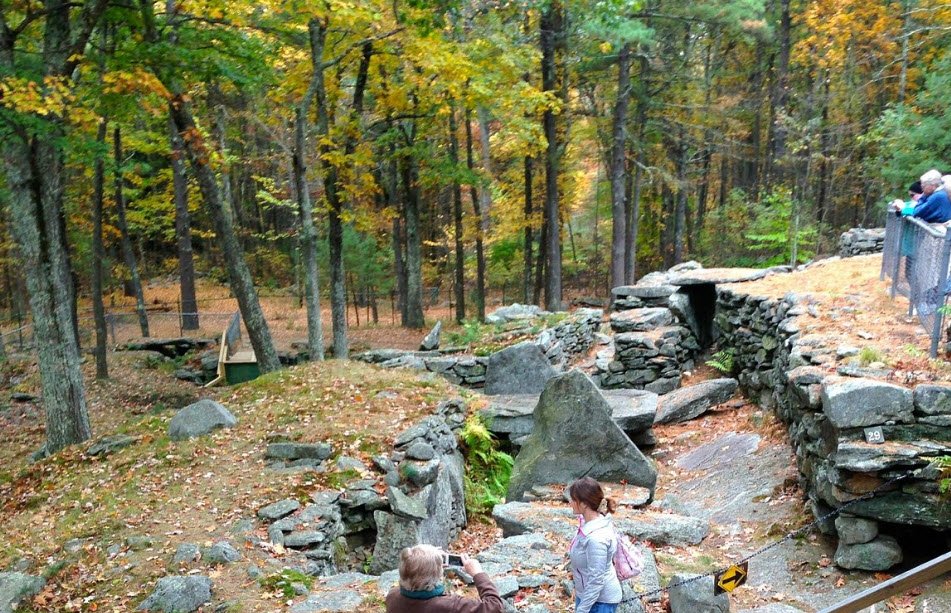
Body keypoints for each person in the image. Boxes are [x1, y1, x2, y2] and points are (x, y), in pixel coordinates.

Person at [385, 544, 503, 613]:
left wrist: (429, 563)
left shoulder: (392, 596)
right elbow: (495, 606)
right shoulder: (449, 605)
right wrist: (478, 574)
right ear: (436, 575)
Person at [567, 477, 623, 613]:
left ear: (584, 504)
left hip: (600, 602)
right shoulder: (588, 523)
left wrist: (582, 609)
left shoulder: (596, 538)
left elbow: (596, 580)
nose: (570, 502)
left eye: (574, 499)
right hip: (586, 596)